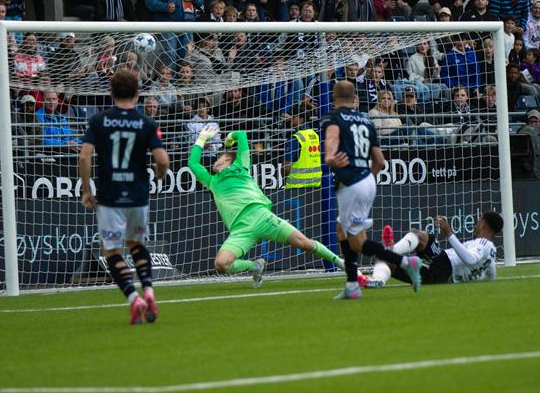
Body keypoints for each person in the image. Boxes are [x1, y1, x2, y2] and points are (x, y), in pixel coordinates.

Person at [189, 125, 345, 286]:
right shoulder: (212, 181)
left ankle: (340, 263)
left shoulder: (241, 167)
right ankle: (254, 266)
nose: (215, 161)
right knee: (221, 264)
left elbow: (241, 134)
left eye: (218, 158)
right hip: (240, 230)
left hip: (262, 217)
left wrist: (229, 138)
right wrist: (201, 139)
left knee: (305, 244)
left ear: (227, 159)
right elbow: (193, 164)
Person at [79, 70, 170, 324]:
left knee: (112, 251)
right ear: (138, 95)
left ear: (111, 94)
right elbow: (162, 160)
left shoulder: (99, 120)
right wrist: (160, 174)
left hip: (110, 197)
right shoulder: (146, 123)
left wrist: (87, 190)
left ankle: (134, 298)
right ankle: (149, 290)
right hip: (138, 196)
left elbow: (84, 156)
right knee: (137, 245)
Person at [321, 80, 422, 299]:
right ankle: (351, 286)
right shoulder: (366, 122)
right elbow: (380, 161)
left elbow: (330, 149)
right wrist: (368, 178)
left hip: (351, 184)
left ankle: (406, 262)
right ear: (354, 97)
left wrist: (330, 159)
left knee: (357, 241)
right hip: (367, 182)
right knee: (342, 229)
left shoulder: (333, 118)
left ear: (334, 97)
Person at [362, 213, 502, 287]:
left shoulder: (482, 243)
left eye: (479, 222)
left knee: (421, 236)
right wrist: (467, 277)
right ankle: (378, 280)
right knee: (389, 265)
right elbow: (491, 276)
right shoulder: (491, 254)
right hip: (439, 278)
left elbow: (471, 259)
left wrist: (449, 233)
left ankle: (390, 250)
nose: (476, 225)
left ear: (484, 226)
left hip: (446, 266)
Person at [145, 0, 203, 69]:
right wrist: (164, 7)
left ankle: (183, 85)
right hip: (168, 24)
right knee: (170, 55)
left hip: (187, 25)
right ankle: (170, 85)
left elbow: (201, 1)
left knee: (186, 56)